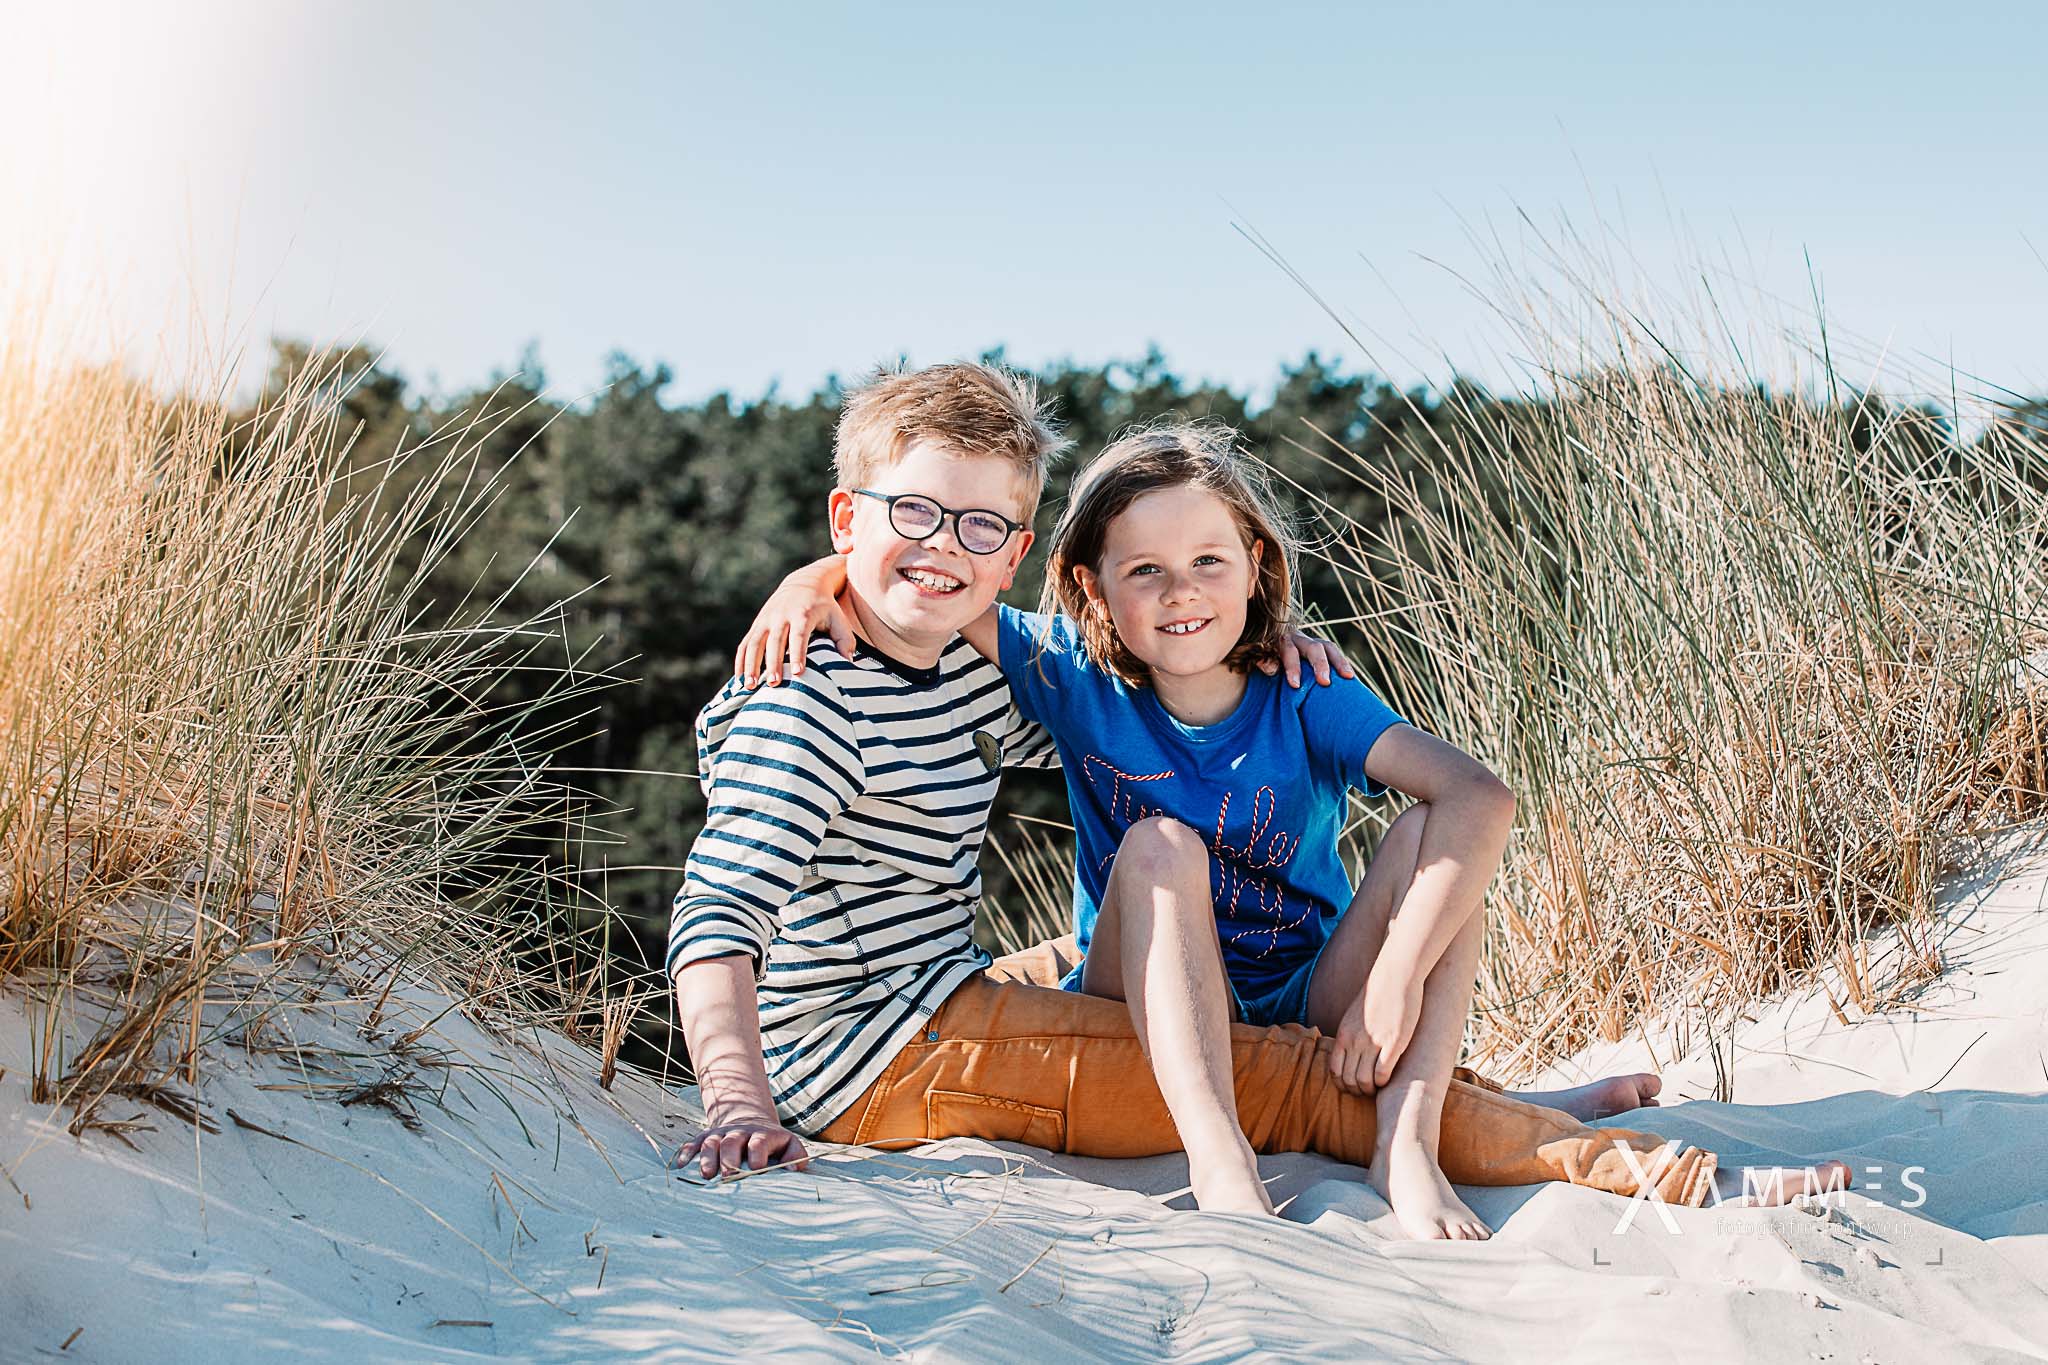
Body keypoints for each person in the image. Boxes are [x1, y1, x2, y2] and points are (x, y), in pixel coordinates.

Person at [683, 365, 1843, 1237]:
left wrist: (834, 566)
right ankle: (1671, 1172)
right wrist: (737, 1102)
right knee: (1288, 1071)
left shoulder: (973, 665)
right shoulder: (809, 697)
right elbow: (715, 914)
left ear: (1012, 555)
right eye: (911, 514)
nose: (942, 547)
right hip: (874, 1053)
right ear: (850, 518)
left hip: (948, 982)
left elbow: (1088, 643)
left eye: (977, 527)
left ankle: (1492, 1099)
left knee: (1423, 886)